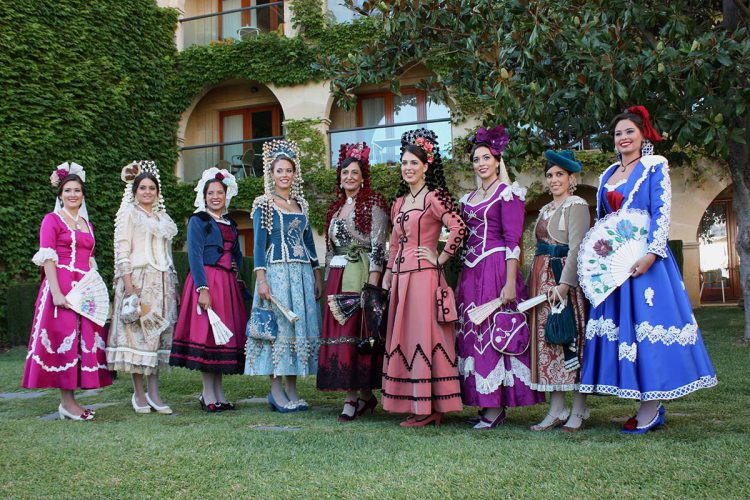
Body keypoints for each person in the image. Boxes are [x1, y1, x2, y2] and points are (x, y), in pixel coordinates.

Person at [579, 105, 717, 433]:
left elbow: (661, 213)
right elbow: (604, 223)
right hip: (617, 269)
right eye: (618, 133)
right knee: (624, 335)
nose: (624, 138)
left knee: (646, 333)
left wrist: (652, 255)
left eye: (630, 131)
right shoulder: (607, 175)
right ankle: (643, 401)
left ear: (642, 135)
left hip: (646, 265)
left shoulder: (654, 167)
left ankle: (651, 407)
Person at [455, 125, 544, 430]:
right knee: (472, 335)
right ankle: (483, 402)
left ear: (497, 160)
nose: (480, 164)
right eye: (476, 160)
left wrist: (509, 281)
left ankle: (495, 407)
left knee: (494, 333)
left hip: (496, 269)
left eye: (485, 158)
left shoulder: (509, 194)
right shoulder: (467, 199)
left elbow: (513, 240)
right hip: (471, 272)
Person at [381, 128, 466, 428]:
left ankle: (431, 406)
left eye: (414, 163)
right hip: (403, 279)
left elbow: (458, 228)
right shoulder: (399, 203)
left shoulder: (434, 197)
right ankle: (418, 402)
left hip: (425, 278)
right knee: (405, 337)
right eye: (404, 163)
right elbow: (394, 241)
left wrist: (439, 257)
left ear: (426, 166)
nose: (408, 168)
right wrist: (389, 275)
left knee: (423, 337)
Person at [22, 162, 112, 420]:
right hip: (61, 286)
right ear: (60, 194)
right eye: (68, 190)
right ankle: (67, 403)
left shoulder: (87, 223)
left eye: (78, 190)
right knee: (64, 339)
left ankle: (71, 402)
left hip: (84, 290)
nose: (73, 194)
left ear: (83, 195)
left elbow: (90, 259)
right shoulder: (52, 220)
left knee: (82, 342)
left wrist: (96, 292)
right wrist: (56, 292)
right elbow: (48, 258)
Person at [245, 139, 323, 412]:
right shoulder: (264, 204)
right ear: (272, 174)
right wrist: (262, 279)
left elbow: (310, 242)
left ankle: (292, 389)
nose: (284, 175)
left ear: (294, 173)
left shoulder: (301, 203)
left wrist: (316, 273)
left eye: (289, 170)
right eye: (279, 170)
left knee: (296, 331)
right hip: (277, 272)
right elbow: (257, 245)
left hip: (301, 273)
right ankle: (276, 391)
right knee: (278, 332)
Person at [317, 143, 389, 421]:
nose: (349, 177)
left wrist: (371, 287)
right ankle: (366, 397)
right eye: (344, 172)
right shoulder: (336, 208)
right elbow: (331, 249)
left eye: (354, 172)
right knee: (341, 335)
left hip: (359, 274)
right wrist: (325, 281)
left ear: (363, 176)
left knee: (356, 334)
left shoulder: (373, 204)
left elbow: (378, 248)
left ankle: (351, 399)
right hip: (337, 275)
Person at [169, 168, 247, 412]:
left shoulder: (231, 224)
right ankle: (207, 394)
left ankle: (219, 394)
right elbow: (194, 255)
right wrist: (202, 288)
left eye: (219, 192)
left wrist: (237, 264)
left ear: (226, 195)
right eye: (211, 193)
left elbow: (237, 253)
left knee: (221, 340)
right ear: (204, 196)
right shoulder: (198, 220)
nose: (215, 197)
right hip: (207, 281)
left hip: (226, 284)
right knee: (208, 337)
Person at [107, 161, 179, 414]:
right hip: (138, 280)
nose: (147, 192)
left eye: (152, 188)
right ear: (135, 191)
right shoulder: (129, 213)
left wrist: (173, 283)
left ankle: (155, 393)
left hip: (162, 282)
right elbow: (122, 249)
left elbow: (167, 253)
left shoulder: (163, 218)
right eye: (143, 188)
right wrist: (128, 286)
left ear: (157, 192)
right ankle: (138, 395)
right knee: (138, 337)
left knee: (156, 336)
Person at [527, 150, 591, 431]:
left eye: (560, 175)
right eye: (550, 175)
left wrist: (565, 284)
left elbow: (578, 246)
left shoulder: (576, 205)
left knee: (569, 339)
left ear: (571, 178)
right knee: (548, 342)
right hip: (542, 281)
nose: (554, 180)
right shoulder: (546, 209)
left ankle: (579, 409)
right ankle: (556, 409)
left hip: (562, 280)